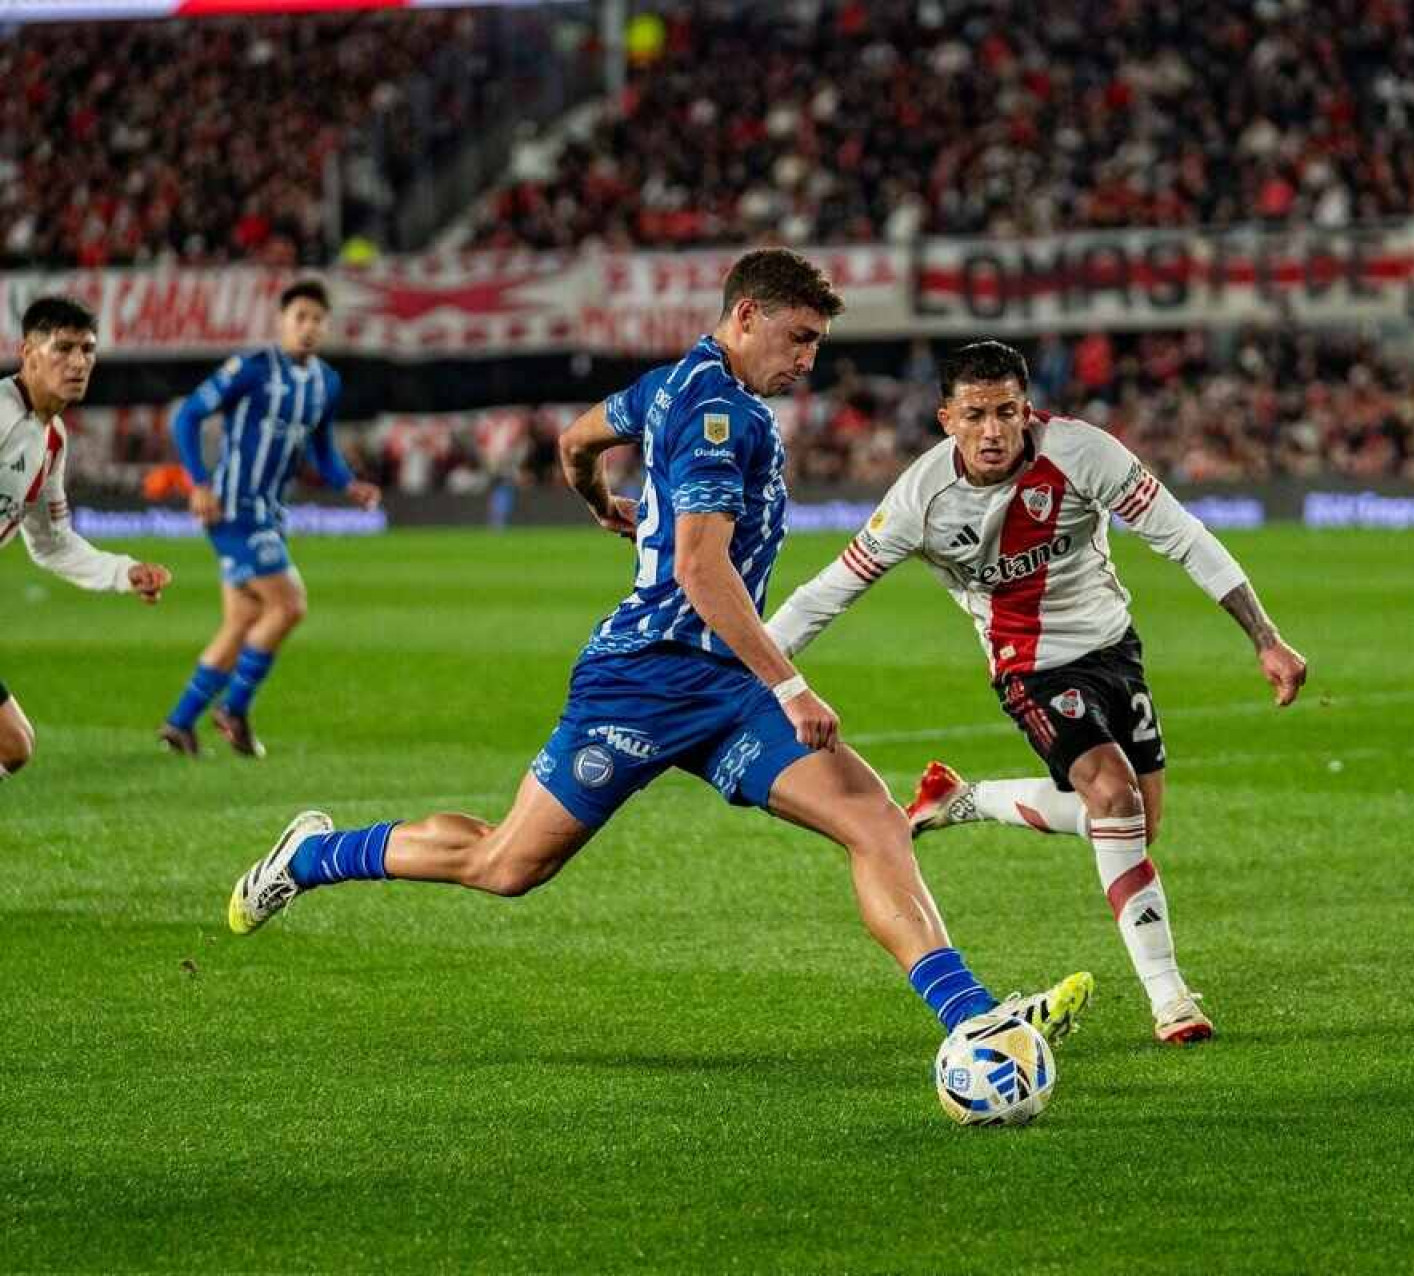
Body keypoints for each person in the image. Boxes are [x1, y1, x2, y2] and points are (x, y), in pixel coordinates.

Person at [223, 251, 1092, 1049]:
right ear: (747, 315)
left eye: (817, 343)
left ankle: (971, 1019)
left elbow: (574, 441)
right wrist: (789, 685)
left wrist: (600, 502)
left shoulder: (671, 384)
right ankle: (309, 856)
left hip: (723, 685)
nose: (808, 361)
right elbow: (699, 566)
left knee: (870, 819)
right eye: (800, 338)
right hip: (642, 681)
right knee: (505, 864)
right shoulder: (719, 410)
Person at [766, 340, 1308, 1044]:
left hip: (1116, 650)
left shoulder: (1086, 454)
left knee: (1136, 827)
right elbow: (825, 595)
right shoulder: (919, 499)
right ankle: (1171, 997)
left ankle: (964, 799)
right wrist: (752, 667)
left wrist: (1264, 636)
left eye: (1006, 413)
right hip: (1029, 666)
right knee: (1112, 799)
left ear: (1028, 409)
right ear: (944, 419)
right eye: (974, 415)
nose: (992, 431)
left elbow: (1183, 535)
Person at [158, 279, 382, 759]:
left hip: (270, 513)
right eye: (299, 317)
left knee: (241, 620)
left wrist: (347, 483)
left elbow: (320, 446)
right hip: (234, 508)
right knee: (289, 605)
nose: (308, 327)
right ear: (281, 320)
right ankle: (234, 708)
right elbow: (187, 416)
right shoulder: (253, 369)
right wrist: (198, 481)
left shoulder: (326, 382)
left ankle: (179, 723)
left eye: (317, 319)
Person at [0, 296, 171, 777]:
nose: (78, 362)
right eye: (63, 348)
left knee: (13, 746)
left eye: (87, 350)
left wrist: (123, 572)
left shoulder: (52, 439)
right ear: (28, 352)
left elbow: (52, 541)